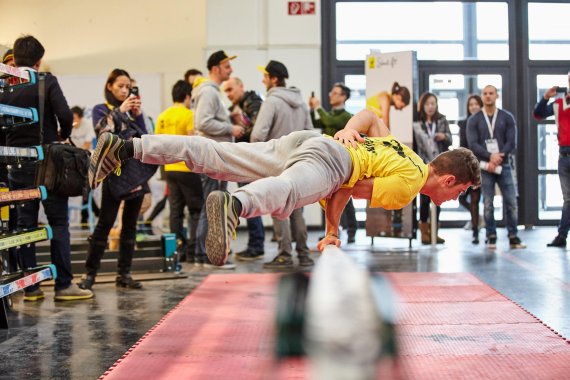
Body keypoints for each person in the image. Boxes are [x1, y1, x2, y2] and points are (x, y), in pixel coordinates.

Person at [89, 108, 480, 267]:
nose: (454, 199)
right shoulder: (409, 187)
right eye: (458, 192)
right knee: (289, 192)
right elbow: (343, 190)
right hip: (331, 161)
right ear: (447, 180)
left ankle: (126, 147)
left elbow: (372, 117)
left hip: (308, 141)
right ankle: (235, 206)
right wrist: (330, 231)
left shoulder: (409, 155)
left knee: (220, 155)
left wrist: (347, 128)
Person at [0, 35, 93, 301]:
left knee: (25, 226)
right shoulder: (45, 82)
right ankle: (64, 285)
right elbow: (65, 114)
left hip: (16, 165)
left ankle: (31, 287)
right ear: (39, 61)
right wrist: (62, 135)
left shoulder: (5, 87)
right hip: (49, 164)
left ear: (14, 60)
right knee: (59, 223)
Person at [79, 68, 151, 290]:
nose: (124, 90)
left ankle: (124, 274)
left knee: (130, 226)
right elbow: (103, 133)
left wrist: (137, 115)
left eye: (128, 86)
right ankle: (89, 275)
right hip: (113, 173)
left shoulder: (134, 111)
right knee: (105, 224)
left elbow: (146, 138)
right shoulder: (102, 109)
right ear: (109, 86)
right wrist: (120, 110)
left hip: (136, 173)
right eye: (120, 85)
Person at [253, 60, 314, 268]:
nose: (263, 80)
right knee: (296, 207)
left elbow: (257, 134)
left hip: (276, 163)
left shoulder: (272, 101)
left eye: (265, 76)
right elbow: (311, 133)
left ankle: (284, 254)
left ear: (274, 79)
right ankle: (304, 254)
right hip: (299, 163)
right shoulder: (301, 103)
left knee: (279, 209)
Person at [191, 50, 244, 269]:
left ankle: (203, 254)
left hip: (215, 155)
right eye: (226, 66)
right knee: (212, 205)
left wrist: (228, 119)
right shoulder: (210, 93)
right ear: (215, 69)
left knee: (212, 205)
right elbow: (204, 123)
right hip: (212, 156)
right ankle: (205, 255)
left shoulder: (213, 93)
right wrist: (230, 127)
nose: (230, 70)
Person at [466, 85, 526, 249]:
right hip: (485, 167)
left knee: (511, 202)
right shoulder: (474, 120)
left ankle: (513, 236)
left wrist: (498, 157)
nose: (488, 96)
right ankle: (491, 235)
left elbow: (511, 142)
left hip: (504, 164)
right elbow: (473, 144)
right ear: (482, 96)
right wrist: (489, 157)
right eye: (485, 94)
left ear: (496, 95)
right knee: (488, 203)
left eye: (491, 93)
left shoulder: (507, 117)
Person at [155, 80, 203, 264]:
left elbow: (157, 142)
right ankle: (194, 251)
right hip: (187, 168)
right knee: (195, 210)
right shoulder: (189, 114)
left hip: (169, 169)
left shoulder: (162, 116)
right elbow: (193, 141)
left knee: (175, 211)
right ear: (187, 96)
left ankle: (177, 252)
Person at [222, 77, 266, 261]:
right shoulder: (238, 107)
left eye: (231, 89)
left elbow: (255, 132)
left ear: (242, 86)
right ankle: (256, 244)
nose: (228, 94)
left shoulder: (253, 103)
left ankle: (256, 246)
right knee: (249, 203)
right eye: (226, 91)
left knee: (250, 203)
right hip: (246, 160)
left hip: (251, 161)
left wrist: (238, 128)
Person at [309, 82, 357, 243]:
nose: (331, 95)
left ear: (344, 97)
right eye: (331, 92)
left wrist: (318, 107)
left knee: (345, 197)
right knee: (328, 198)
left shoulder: (345, 116)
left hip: (342, 162)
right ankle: (331, 230)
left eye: (336, 93)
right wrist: (312, 109)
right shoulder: (330, 114)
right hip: (329, 161)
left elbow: (328, 122)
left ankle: (352, 230)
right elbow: (316, 123)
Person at [533, 75, 570, 247]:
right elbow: (538, 115)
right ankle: (562, 236)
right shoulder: (559, 104)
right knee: (568, 199)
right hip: (564, 157)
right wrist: (546, 97)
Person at [413, 92, 452, 244]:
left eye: (433, 104)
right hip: (423, 165)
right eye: (427, 104)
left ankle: (435, 232)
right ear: (422, 106)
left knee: (437, 199)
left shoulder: (442, 120)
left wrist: (444, 137)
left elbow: (450, 138)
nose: (430, 107)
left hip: (440, 165)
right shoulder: (417, 123)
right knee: (423, 200)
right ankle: (424, 233)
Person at [458, 95, 483, 244]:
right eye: (470, 104)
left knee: (476, 199)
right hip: (468, 166)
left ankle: (476, 231)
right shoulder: (463, 124)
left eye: (476, 104)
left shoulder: (484, 123)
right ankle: (477, 220)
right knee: (462, 198)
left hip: (483, 165)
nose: (473, 107)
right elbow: (462, 146)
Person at [71, 106, 99, 229]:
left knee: (85, 187)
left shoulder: (88, 125)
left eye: (75, 118)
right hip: (72, 160)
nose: (73, 121)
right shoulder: (68, 125)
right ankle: (95, 212)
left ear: (81, 118)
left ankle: (86, 215)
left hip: (85, 159)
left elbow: (86, 147)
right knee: (85, 188)